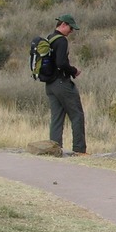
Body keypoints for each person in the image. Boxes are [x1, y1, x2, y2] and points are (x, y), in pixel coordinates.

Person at [45, 13, 87, 155]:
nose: (71, 31)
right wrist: (74, 70)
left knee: (56, 118)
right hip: (62, 83)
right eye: (70, 28)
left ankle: (54, 149)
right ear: (63, 25)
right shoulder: (61, 41)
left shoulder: (49, 39)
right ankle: (79, 150)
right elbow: (61, 63)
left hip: (50, 85)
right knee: (77, 115)